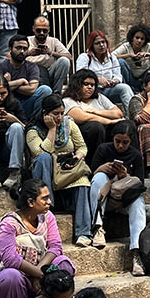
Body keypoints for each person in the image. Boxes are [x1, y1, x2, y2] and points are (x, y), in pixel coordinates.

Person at [0, 180, 75, 298]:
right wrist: (40, 275)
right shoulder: (9, 224)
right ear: (30, 202)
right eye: (45, 198)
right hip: (18, 277)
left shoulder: (48, 217)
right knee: (10, 277)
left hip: (40, 272)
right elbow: (11, 259)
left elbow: (55, 247)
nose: (49, 202)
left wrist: (39, 274)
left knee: (63, 264)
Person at [26, 94, 95, 248]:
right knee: (44, 158)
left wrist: (77, 157)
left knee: (83, 181)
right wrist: (52, 129)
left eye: (62, 113)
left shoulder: (69, 124)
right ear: (45, 113)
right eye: (55, 114)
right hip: (47, 173)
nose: (59, 117)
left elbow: (82, 147)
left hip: (67, 171)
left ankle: (83, 232)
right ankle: (47, 210)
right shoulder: (33, 130)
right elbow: (40, 153)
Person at [90, 122, 147, 276]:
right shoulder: (103, 149)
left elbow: (139, 184)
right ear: (113, 138)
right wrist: (101, 169)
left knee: (139, 202)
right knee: (100, 177)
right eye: (118, 141)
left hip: (125, 200)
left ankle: (136, 252)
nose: (121, 146)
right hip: (104, 199)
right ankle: (98, 227)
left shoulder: (135, 155)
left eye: (125, 142)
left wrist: (125, 176)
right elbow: (90, 177)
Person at [62, 69, 123, 162]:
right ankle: (95, 164)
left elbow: (118, 113)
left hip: (105, 130)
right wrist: (110, 121)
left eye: (92, 85)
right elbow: (84, 117)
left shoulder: (99, 97)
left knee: (127, 124)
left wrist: (95, 111)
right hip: (85, 134)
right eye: (86, 84)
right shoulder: (68, 100)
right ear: (77, 84)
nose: (90, 87)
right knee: (95, 126)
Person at [0, 34, 52, 121]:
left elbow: (32, 89)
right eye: (18, 48)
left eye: (25, 49)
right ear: (10, 48)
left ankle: (35, 123)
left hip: (26, 104)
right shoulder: (0, 66)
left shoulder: (32, 67)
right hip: (7, 106)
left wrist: (9, 84)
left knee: (45, 90)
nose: (22, 51)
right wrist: (20, 81)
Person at [76, 30, 133, 113]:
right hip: (92, 91)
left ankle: (133, 116)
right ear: (92, 45)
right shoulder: (85, 57)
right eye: (97, 43)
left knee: (125, 88)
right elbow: (80, 75)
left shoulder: (112, 57)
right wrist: (97, 80)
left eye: (103, 42)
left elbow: (118, 76)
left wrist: (113, 81)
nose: (101, 45)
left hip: (108, 90)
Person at [114, 23, 150, 92]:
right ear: (132, 38)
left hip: (144, 79)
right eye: (137, 38)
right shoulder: (126, 46)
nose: (139, 41)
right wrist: (129, 55)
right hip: (129, 78)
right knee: (120, 61)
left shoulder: (148, 46)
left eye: (142, 39)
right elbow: (111, 57)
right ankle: (128, 90)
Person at [26, 15, 72, 95]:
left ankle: (56, 93)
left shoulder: (53, 41)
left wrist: (51, 52)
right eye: (38, 30)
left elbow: (69, 57)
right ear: (33, 29)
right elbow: (10, 56)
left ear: (49, 30)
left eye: (45, 31)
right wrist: (29, 53)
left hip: (49, 72)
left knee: (64, 61)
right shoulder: (27, 40)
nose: (41, 33)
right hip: (31, 74)